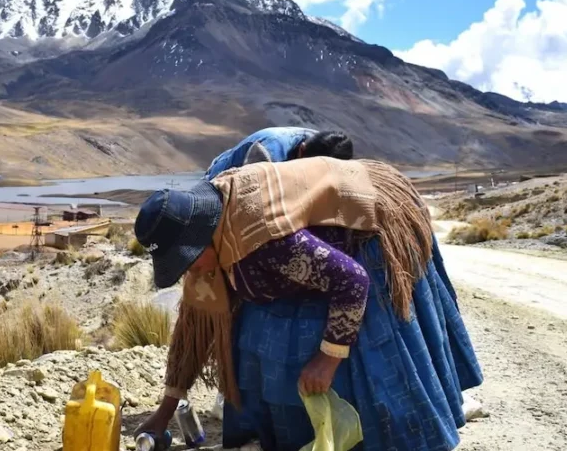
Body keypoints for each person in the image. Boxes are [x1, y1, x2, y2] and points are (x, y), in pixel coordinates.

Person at [134, 156, 483, 451]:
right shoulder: (210, 231)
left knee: (361, 351)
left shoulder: (262, 239)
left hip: (372, 222)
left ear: (203, 238)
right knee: (257, 333)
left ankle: (383, 444)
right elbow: (193, 328)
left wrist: (328, 358)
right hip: (301, 252)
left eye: (190, 262)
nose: (189, 272)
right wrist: (166, 410)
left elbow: (352, 280)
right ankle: (286, 437)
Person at [205, 127, 483, 433]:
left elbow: (350, 279)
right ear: (301, 157)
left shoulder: (320, 169)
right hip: (234, 219)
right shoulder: (261, 170)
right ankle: (236, 394)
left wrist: (330, 355)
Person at [204, 127, 353, 178]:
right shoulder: (268, 153)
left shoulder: (328, 149)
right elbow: (246, 194)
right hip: (219, 179)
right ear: (301, 150)